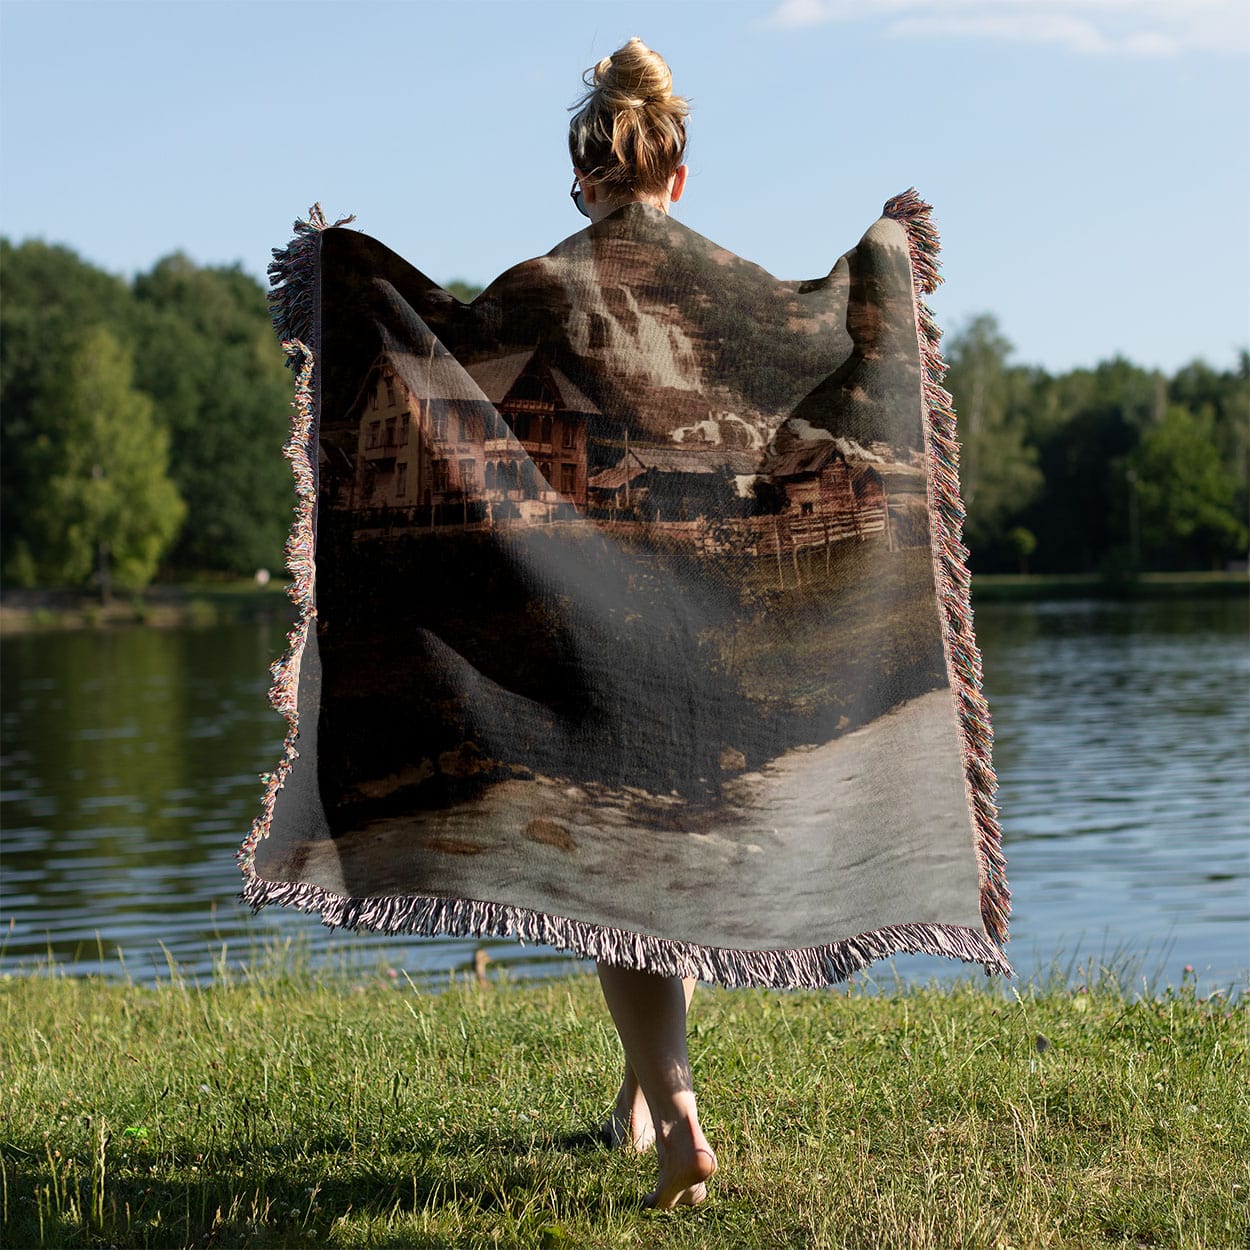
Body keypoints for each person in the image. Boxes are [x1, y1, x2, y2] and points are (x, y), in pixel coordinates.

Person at [566, 36, 717, 1212]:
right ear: (675, 175)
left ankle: (677, 1117)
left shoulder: (552, 282)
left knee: (614, 884)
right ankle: (632, 1099)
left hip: (594, 619)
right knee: (656, 870)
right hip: (707, 621)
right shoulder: (729, 289)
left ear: (587, 179)